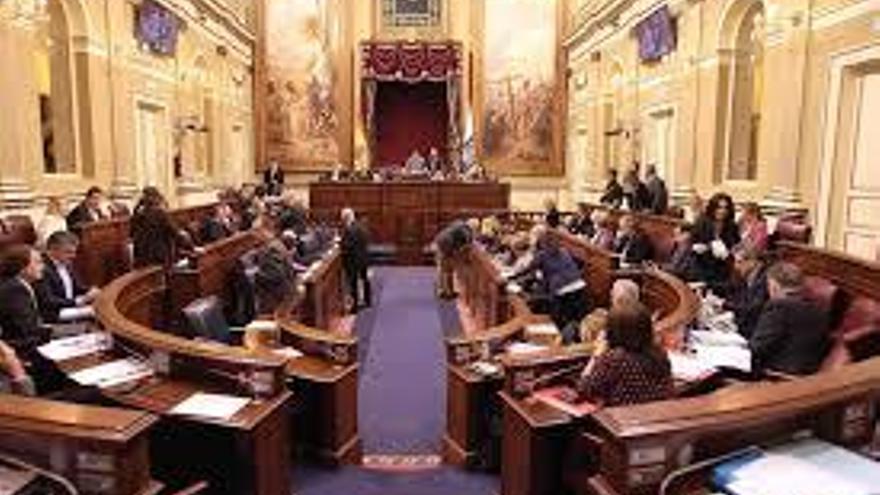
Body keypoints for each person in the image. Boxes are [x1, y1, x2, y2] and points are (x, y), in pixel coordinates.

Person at [575, 303, 673, 406]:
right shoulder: (659, 353)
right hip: (655, 415)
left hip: (622, 418)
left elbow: (583, 388)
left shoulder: (616, 358)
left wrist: (596, 356)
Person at [750, 262, 829, 375]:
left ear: (774, 286)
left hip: (775, 376)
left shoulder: (778, 306)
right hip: (808, 377)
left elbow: (756, 348)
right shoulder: (820, 310)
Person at [510, 226, 591, 337]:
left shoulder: (541, 255)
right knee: (576, 322)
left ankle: (561, 342)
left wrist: (510, 279)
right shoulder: (562, 250)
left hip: (563, 294)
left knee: (561, 324)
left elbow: (526, 271)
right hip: (580, 290)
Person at [34, 231, 99, 323]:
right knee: (97, 313)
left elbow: (76, 287)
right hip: (54, 314)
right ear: (53, 250)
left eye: (74, 252)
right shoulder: (41, 268)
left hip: (70, 308)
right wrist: (80, 300)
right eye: (68, 252)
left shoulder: (66, 263)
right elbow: (48, 301)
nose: (73, 256)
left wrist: (91, 291)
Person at [130, 187, 194, 268]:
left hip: (142, 259)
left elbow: (131, 234)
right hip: (159, 259)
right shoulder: (160, 214)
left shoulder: (137, 215)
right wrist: (192, 247)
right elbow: (175, 233)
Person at [691, 193, 741, 292]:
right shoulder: (702, 222)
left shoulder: (732, 226)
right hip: (702, 266)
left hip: (722, 270)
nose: (722, 211)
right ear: (713, 208)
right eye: (719, 207)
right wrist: (707, 247)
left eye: (725, 208)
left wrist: (728, 253)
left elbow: (736, 246)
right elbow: (693, 245)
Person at [724, 246, 769, 339]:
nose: (736, 266)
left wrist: (725, 305)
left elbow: (752, 307)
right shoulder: (745, 277)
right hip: (742, 327)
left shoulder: (765, 279)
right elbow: (732, 292)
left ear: (752, 262)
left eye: (739, 262)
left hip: (754, 333)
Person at [433, 218, 477, 299]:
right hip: (446, 246)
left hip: (439, 241)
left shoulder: (459, 223)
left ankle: (441, 290)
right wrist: (467, 259)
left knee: (441, 269)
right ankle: (449, 292)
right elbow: (468, 246)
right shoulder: (467, 232)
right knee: (447, 270)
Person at [340, 208, 371, 312]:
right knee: (365, 279)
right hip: (363, 258)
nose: (342, 221)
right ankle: (368, 301)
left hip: (353, 260)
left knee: (353, 283)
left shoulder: (349, 229)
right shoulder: (361, 226)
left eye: (342, 219)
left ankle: (355, 307)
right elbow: (366, 239)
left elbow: (347, 246)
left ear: (346, 218)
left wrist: (341, 244)